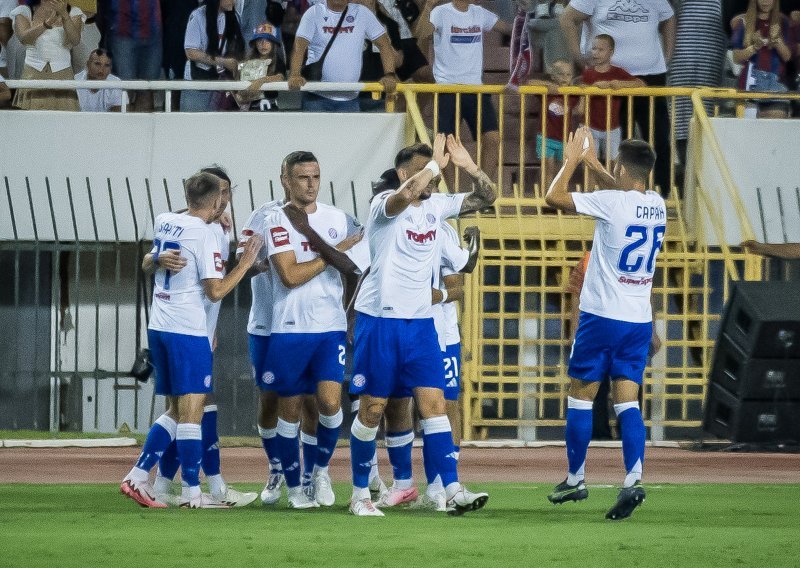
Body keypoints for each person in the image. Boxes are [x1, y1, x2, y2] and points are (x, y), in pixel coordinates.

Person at [348, 132, 496, 517]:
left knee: (435, 406)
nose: (431, 181)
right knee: (373, 410)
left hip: (420, 326)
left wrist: (469, 166)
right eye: (422, 174)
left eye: (433, 176)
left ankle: (451, 488)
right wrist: (432, 166)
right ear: (402, 173)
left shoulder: (438, 207)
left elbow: (487, 197)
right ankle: (360, 494)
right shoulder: (383, 204)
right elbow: (403, 196)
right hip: (379, 322)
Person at [120, 171, 262, 509]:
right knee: (191, 413)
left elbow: (157, 254)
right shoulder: (205, 234)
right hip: (188, 330)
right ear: (215, 199)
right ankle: (186, 493)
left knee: (177, 410)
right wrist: (244, 264)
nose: (225, 201)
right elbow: (215, 291)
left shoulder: (166, 220)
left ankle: (151, 481)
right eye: (222, 195)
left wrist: (155, 257)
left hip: (161, 326)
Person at [544, 127, 665, 521]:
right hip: (638, 320)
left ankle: (576, 478)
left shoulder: (611, 202)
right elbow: (623, 192)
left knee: (580, 395)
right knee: (627, 401)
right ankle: (633, 479)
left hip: (601, 317)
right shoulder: (658, 204)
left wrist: (574, 161)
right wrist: (597, 164)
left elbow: (553, 197)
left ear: (620, 167)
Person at [262, 151, 362, 509]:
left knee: (331, 404)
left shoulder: (337, 218)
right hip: (289, 327)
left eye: (315, 176)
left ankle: (318, 471)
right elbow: (289, 276)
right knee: (288, 411)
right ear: (286, 180)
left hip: (329, 328)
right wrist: (332, 254)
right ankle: (293, 487)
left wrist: (349, 316)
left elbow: (356, 269)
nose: (310, 184)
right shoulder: (277, 220)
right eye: (302, 177)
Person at [559, 0, 675, 196]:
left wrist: (667, 56)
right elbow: (567, 18)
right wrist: (579, 57)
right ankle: (614, 194)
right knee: (616, 140)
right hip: (608, 77)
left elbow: (669, 18)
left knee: (658, 136)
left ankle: (662, 195)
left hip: (651, 74)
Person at [418, 0, 511, 187]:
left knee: (492, 138)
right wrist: (428, 7)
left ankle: (483, 189)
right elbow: (421, 35)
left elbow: (510, 30)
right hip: (447, 88)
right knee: (445, 143)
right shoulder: (441, 12)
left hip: (475, 88)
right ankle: (452, 192)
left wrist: (525, 12)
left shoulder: (480, 13)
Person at [287, 0, 398, 112]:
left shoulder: (362, 13)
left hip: (350, 99)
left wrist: (390, 75)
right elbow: (299, 46)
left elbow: (384, 44)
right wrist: (295, 74)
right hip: (316, 97)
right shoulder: (314, 12)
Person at [580, 35, 645, 164]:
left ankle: (609, 185)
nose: (596, 53)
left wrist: (619, 84)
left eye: (600, 50)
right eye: (594, 49)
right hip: (590, 125)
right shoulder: (588, 73)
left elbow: (641, 84)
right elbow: (582, 98)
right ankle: (590, 185)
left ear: (611, 52)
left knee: (613, 164)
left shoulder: (618, 73)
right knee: (590, 164)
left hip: (612, 127)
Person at [11, 0, 85, 111]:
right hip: (32, 74)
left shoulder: (73, 12)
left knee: (63, 123)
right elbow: (24, 38)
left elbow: (74, 40)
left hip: (63, 75)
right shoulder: (25, 11)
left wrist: (65, 15)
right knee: (31, 123)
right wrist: (48, 23)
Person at [731, 0, 794, 118]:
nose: (765, 1)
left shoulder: (783, 21)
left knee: (774, 132)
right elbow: (736, 58)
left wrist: (777, 40)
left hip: (776, 86)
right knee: (748, 132)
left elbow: (787, 56)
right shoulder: (744, 21)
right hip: (749, 85)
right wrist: (754, 48)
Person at [182, 0, 245, 112]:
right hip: (197, 82)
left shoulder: (234, 17)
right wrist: (223, 62)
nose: (233, 1)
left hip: (220, 83)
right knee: (193, 124)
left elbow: (238, 49)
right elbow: (191, 52)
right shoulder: (198, 16)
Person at [527, 58, 579, 189]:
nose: (565, 78)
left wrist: (580, 88)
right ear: (553, 76)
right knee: (547, 168)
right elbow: (529, 83)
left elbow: (583, 98)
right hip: (545, 136)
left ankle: (558, 198)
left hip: (564, 139)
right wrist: (547, 86)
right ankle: (546, 200)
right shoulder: (547, 91)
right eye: (561, 74)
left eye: (568, 75)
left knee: (561, 170)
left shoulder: (573, 93)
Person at [104, 0, 161, 112]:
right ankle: (123, 128)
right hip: (123, 32)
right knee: (124, 88)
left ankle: (143, 129)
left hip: (152, 32)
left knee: (147, 87)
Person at [232, 22, 286, 111]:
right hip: (249, 108)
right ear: (255, 43)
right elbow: (238, 91)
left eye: (267, 41)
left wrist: (261, 81)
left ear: (273, 44)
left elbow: (280, 77)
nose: (263, 44)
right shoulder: (246, 62)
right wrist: (242, 95)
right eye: (260, 40)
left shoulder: (277, 61)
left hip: (270, 108)